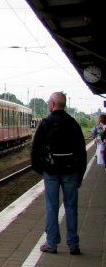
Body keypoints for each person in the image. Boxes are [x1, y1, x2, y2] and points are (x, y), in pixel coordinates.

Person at [30, 91, 87, 254]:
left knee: (51, 206)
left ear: (53, 105)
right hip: (71, 172)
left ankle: (52, 244)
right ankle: (73, 244)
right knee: (71, 207)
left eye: (49, 102)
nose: (48, 104)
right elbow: (81, 151)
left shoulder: (46, 123)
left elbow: (36, 150)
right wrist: (80, 175)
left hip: (51, 172)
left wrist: (42, 169)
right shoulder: (73, 124)